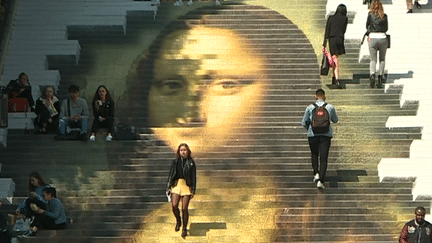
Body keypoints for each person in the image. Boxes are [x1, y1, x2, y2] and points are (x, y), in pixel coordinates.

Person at [301, 89, 338, 189]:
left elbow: (304, 122)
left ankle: (316, 173)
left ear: (316, 97)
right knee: (324, 158)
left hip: (312, 135)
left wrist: (310, 128)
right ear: (324, 97)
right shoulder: (330, 107)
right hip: (326, 135)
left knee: (314, 154)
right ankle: (321, 181)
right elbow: (335, 120)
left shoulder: (310, 107)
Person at [166, 143, 196, 238]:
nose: (183, 152)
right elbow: (171, 175)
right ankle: (178, 221)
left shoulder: (191, 163)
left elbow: (194, 178)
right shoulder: (175, 162)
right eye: (181, 150)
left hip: (186, 185)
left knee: (184, 208)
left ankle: (184, 228)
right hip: (176, 184)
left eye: (185, 150)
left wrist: (193, 190)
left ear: (188, 151)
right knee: (174, 206)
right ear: (179, 152)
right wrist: (168, 187)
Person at [323, 4, 348, 87]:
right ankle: (334, 77)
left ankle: (336, 78)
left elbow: (327, 31)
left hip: (332, 39)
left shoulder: (331, 18)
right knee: (335, 57)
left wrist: (324, 44)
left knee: (335, 58)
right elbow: (344, 30)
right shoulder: (345, 19)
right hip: (340, 39)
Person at [366, 0, 388, 88]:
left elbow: (367, 26)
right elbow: (386, 28)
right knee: (382, 59)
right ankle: (380, 76)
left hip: (373, 37)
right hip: (383, 37)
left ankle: (372, 75)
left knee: (373, 59)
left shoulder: (370, 16)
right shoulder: (384, 16)